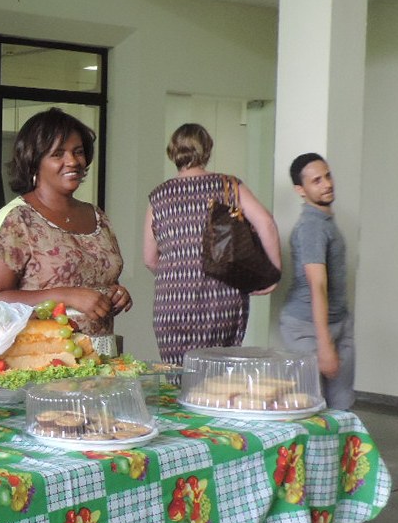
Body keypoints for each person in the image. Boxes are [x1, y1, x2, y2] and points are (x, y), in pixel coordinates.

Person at [0, 108, 133, 337]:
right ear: (34, 161)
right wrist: (65, 296)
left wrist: (115, 294)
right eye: (58, 154)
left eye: (78, 152)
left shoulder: (97, 216)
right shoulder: (18, 220)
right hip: (43, 353)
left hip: (101, 353)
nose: (73, 161)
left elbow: (98, 280)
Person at [142, 123, 281, 363]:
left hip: (173, 304)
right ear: (206, 149)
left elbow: (150, 259)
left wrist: (179, 274)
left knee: (178, 376)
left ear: (172, 151)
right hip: (222, 298)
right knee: (218, 374)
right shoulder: (229, 186)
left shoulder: (159, 197)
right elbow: (266, 223)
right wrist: (273, 273)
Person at [279, 152, 355, 409]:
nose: (327, 184)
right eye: (316, 181)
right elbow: (317, 285)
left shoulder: (325, 222)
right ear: (300, 190)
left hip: (338, 321)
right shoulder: (312, 226)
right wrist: (324, 345)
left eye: (327, 176)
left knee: (341, 406)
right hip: (307, 328)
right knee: (310, 407)